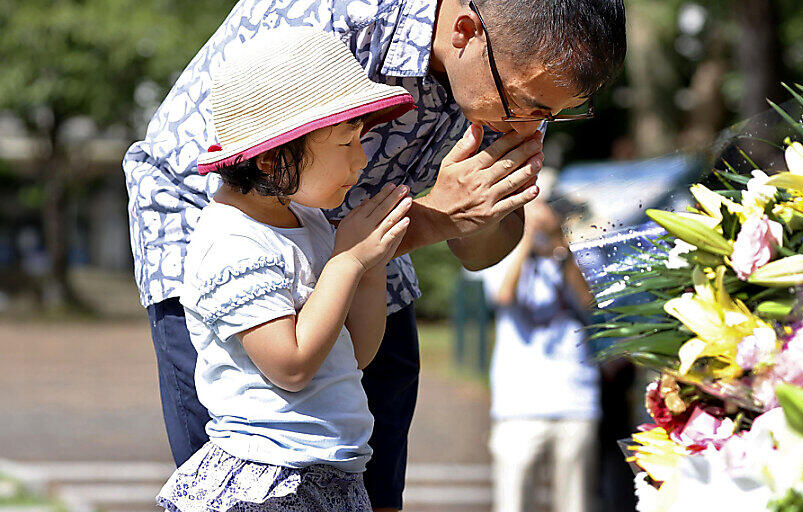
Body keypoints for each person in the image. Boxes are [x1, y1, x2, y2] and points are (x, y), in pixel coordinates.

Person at [124, 0, 626, 509]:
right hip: (217, 211)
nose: (531, 123)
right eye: (528, 104)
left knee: (372, 468)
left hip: (360, 232)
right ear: (465, 32)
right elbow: (253, 180)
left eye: (552, 111)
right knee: (253, 444)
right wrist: (424, 221)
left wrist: (476, 211)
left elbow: (479, 251)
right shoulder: (330, 21)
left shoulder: (512, 71)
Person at [155, 29, 415, 511]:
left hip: (332, 471)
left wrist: (372, 265)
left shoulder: (309, 220)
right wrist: (349, 259)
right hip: (268, 478)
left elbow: (354, 353)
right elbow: (291, 365)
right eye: (345, 143)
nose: (361, 161)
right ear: (276, 159)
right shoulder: (233, 242)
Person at [481, 197, 600, 512]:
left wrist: (559, 244)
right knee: (513, 504)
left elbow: (589, 303)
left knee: (576, 504)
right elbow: (504, 294)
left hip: (576, 402)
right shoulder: (497, 257)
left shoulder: (574, 256)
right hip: (516, 407)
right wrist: (525, 238)